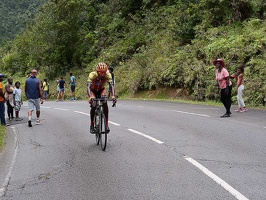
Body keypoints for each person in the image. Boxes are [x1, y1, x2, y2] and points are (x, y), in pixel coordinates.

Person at [87, 62, 116, 133]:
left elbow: (111, 85)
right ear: (97, 71)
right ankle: (92, 125)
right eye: (101, 72)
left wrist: (113, 96)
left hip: (101, 90)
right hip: (93, 90)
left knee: (105, 103)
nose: (102, 74)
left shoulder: (108, 74)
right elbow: (88, 87)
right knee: (93, 105)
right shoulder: (92, 74)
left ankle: (106, 125)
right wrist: (90, 97)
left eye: (104, 72)